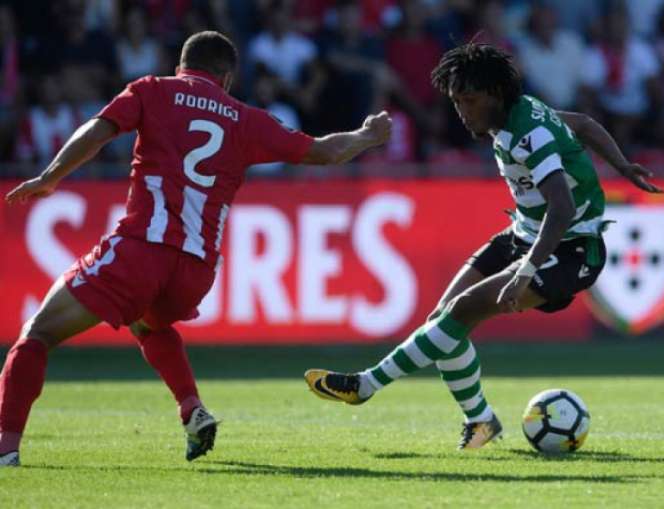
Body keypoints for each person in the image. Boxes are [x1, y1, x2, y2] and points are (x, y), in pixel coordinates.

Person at [0, 31, 392, 467]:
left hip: (141, 249)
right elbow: (323, 151)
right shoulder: (245, 118)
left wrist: (51, 176)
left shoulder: (154, 90)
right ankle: (191, 409)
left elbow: (98, 131)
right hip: (195, 272)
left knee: (35, 335)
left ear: (180, 66)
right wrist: (366, 135)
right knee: (149, 324)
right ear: (226, 79)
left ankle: (4, 451)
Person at [304, 43, 663, 450]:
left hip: (571, 248)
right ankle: (481, 422)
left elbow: (561, 209)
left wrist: (526, 270)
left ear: (494, 93)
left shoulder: (526, 133)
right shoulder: (520, 112)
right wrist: (621, 164)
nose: (462, 111)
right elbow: (581, 124)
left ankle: (366, 384)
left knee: (459, 313)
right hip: (525, 232)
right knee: (443, 320)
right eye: (456, 101)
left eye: (469, 100)